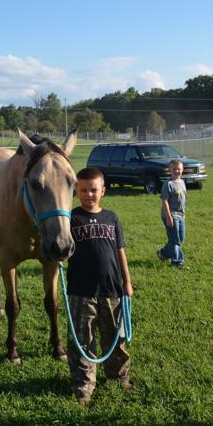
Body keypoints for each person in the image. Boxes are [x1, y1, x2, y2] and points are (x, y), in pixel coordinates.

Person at [65, 167, 134, 406]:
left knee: (115, 336)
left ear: (103, 190)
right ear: (76, 191)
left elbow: (120, 251)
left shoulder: (112, 218)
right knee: (83, 340)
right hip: (80, 290)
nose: (89, 195)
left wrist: (126, 281)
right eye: (83, 190)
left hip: (111, 289)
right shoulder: (70, 218)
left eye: (93, 190)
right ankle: (83, 386)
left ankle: (119, 375)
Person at [157, 159, 187, 268]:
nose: (176, 171)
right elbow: (164, 200)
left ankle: (163, 253)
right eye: (174, 169)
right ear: (169, 170)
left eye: (178, 169)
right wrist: (169, 216)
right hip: (170, 215)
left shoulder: (182, 182)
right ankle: (177, 262)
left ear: (182, 170)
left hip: (181, 215)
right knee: (175, 239)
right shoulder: (168, 183)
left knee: (180, 238)